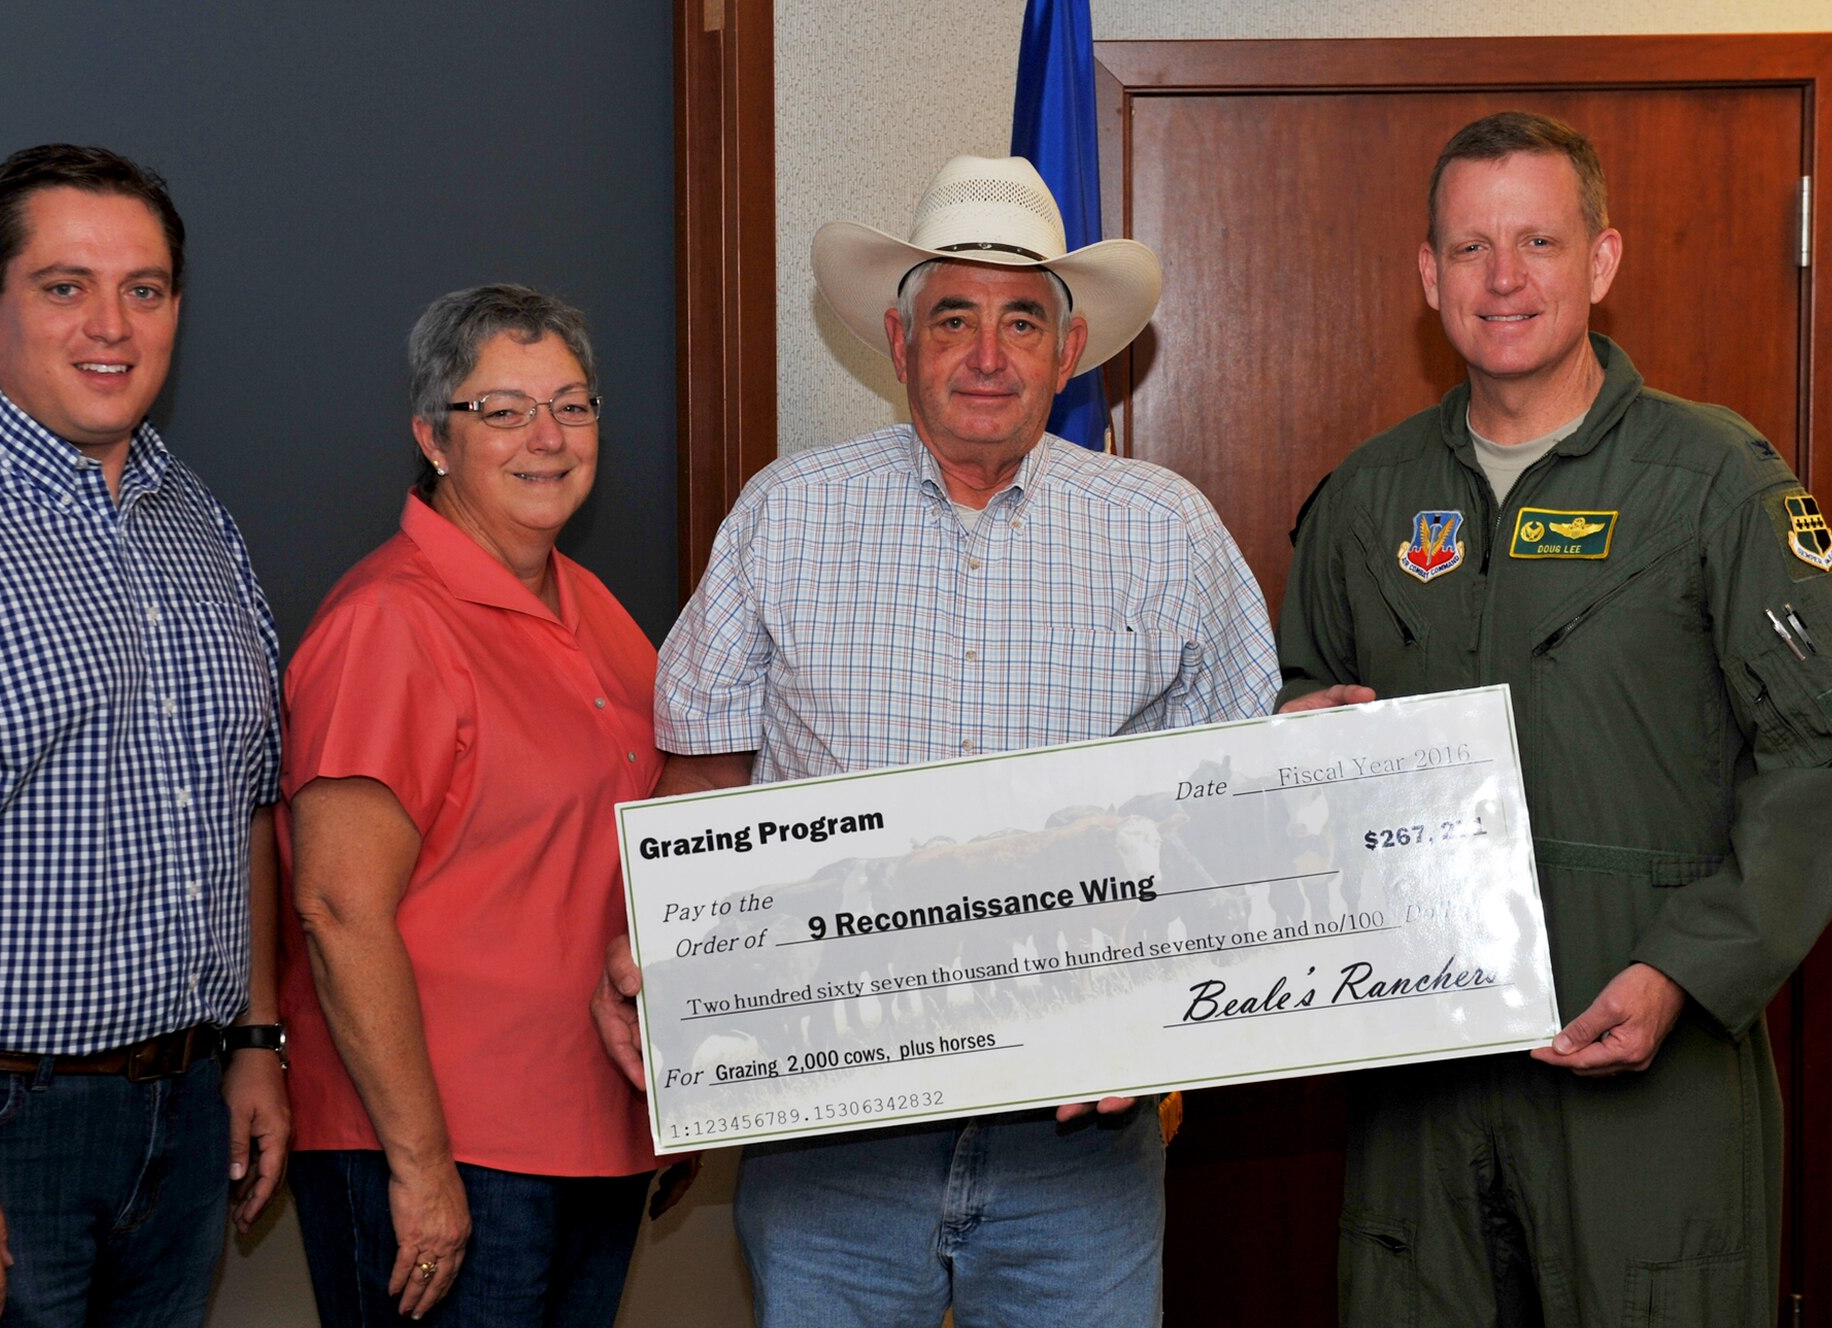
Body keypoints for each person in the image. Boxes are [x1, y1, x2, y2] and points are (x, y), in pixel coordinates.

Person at [592, 154, 1279, 1327]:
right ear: (895, 338)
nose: (986, 352)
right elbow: (698, 782)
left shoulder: (1167, 529)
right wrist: (647, 951)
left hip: (1082, 1140)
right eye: (951, 315)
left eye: (1022, 321)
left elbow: (1239, 803)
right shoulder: (783, 514)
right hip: (830, 1131)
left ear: (1069, 354)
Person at [1279, 111, 1832, 1325]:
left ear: (1599, 261)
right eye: (1469, 247)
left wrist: (1687, 967)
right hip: (1417, 1068)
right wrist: (1295, 736)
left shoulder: (1717, 482)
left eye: (1536, 238)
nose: (1503, 277)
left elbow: (1817, 752)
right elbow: (1294, 706)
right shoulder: (1363, 500)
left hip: (1646, 1044)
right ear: (1428, 276)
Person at [0, 144, 289, 1328]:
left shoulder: (197, 521)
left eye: (143, 288)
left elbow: (241, 806)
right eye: (62, 284)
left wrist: (252, 1039)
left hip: (181, 1118)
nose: (112, 324)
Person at [279, 284, 662, 1326]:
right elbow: (337, 909)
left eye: (571, 405)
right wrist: (421, 1165)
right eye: (500, 409)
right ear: (432, 438)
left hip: (592, 1137)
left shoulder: (602, 615)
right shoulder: (389, 621)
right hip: (450, 1154)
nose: (545, 436)